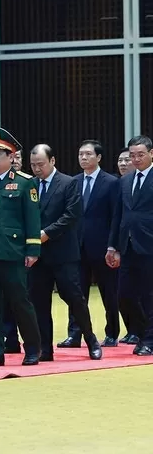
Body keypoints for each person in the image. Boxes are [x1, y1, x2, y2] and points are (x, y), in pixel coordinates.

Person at [27, 144, 101, 361]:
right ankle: (45, 348)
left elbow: (71, 216)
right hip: (37, 254)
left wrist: (46, 233)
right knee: (39, 302)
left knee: (74, 299)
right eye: (33, 165)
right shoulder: (29, 184)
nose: (37, 169)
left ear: (52, 161)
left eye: (40, 164)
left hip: (63, 253)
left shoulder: (68, 183)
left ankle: (90, 339)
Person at [0, 128, 41, 367]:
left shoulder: (24, 184)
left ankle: (33, 348)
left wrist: (33, 250)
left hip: (13, 253)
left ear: (12, 156)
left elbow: (32, 219)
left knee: (19, 302)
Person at [65, 140, 120, 348]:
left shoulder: (111, 182)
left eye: (88, 154)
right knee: (76, 293)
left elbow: (116, 216)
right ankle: (74, 334)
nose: (84, 158)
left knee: (109, 292)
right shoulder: (73, 182)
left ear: (98, 157)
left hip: (103, 246)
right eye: (80, 154)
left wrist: (113, 246)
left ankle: (112, 333)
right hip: (77, 246)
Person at [107, 135, 153, 356]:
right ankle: (144, 333)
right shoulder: (125, 180)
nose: (135, 159)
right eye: (132, 155)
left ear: (151, 154)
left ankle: (149, 339)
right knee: (124, 294)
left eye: (140, 155)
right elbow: (118, 215)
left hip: (149, 245)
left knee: (149, 295)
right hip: (127, 246)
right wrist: (112, 246)